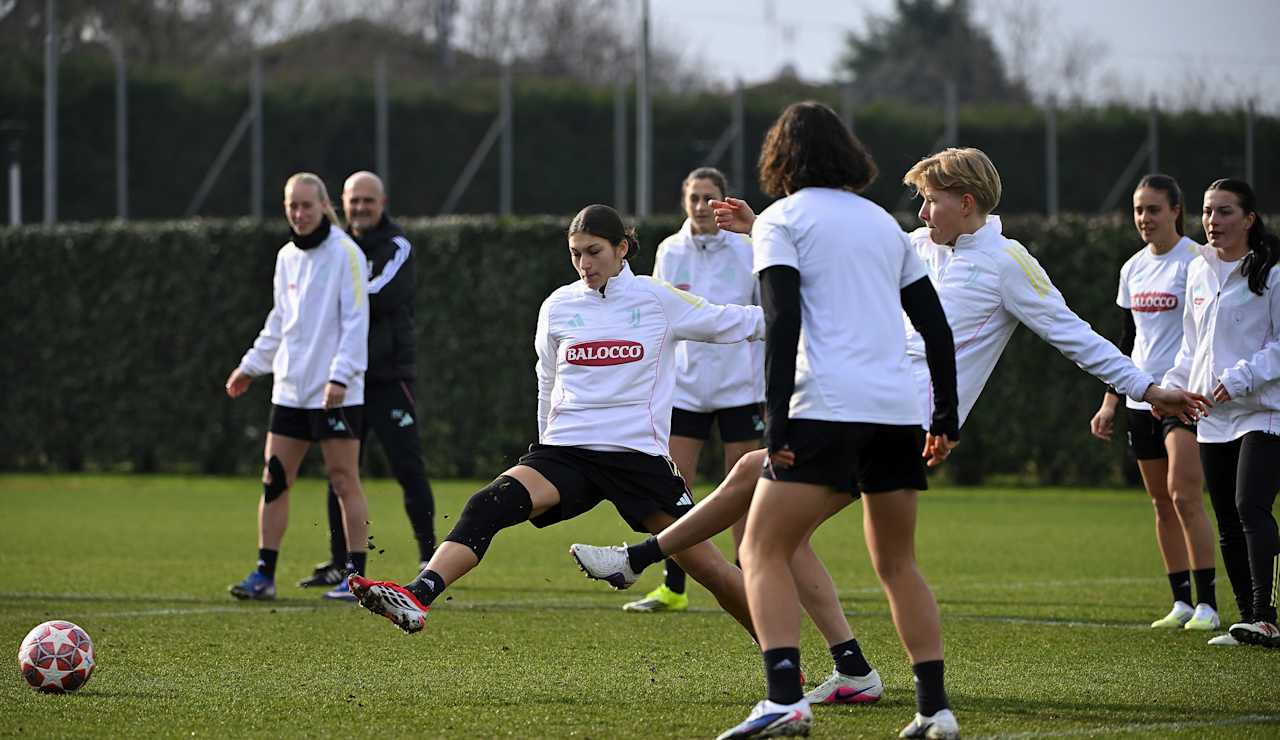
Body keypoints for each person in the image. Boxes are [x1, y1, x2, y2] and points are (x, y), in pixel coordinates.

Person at [575, 145, 1210, 738]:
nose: (922, 211)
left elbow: (1075, 335)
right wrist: (758, 224)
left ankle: (666, 578)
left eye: (931, 199)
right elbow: (834, 251)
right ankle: (855, 671)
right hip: (859, 410)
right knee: (762, 502)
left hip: (889, 424)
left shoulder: (1006, 261)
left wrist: (1148, 390)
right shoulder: (917, 244)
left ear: (968, 201)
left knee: (769, 524)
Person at [345, 205, 770, 648]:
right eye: (575, 254)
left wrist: (797, 301)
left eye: (594, 252)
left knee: (710, 570)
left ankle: (783, 659)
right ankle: (418, 594)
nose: (585, 264)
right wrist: (547, 445)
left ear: (622, 249)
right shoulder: (558, 305)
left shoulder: (656, 298)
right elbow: (546, 381)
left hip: (637, 458)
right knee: (488, 504)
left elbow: (742, 322)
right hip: (567, 452)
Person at [715, 101, 962, 740]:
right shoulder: (883, 223)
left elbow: (782, 321)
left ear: (779, 158)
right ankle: (934, 710)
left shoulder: (780, 221)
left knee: (761, 546)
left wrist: (775, 423)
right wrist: (946, 414)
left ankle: (782, 698)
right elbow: (935, 326)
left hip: (823, 407)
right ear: (847, 153)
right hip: (895, 414)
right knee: (898, 564)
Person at [622, 166, 764, 615]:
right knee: (674, 488)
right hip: (685, 389)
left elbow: (765, 313)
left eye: (709, 197)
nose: (701, 206)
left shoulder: (746, 249)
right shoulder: (669, 250)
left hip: (741, 386)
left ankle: (750, 583)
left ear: (723, 201)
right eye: (694, 198)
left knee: (742, 489)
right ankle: (673, 586)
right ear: (684, 201)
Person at [224, 172, 371, 601]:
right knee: (274, 479)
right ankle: (263, 575)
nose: (299, 214)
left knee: (345, 480)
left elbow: (356, 320)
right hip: (290, 390)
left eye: (307, 205)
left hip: (337, 391)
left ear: (325, 206)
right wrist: (250, 366)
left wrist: (340, 376)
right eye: (292, 206)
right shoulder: (287, 255)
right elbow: (279, 321)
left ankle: (356, 578)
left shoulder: (347, 253)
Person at [297, 171, 437, 602]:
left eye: (367, 201)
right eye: (353, 201)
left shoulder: (397, 247)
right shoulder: (334, 247)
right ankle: (342, 562)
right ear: (341, 202)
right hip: (345, 379)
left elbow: (374, 296)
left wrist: (333, 300)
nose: (359, 208)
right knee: (339, 473)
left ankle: (430, 557)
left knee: (407, 466)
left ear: (383, 202)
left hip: (388, 378)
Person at [1089, 175, 1218, 631]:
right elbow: (1127, 339)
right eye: (1139, 210)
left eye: (1154, 209)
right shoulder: (1132, 268)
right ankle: (1181, 601)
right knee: (1160, 501)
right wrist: (1110, 400)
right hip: (1140, 398)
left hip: (1181, 397)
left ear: (1176, 211)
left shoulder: (1198, 261)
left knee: (1185, 495)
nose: (1144, 218)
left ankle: (1208, 605)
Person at [1163, 178, 1280, 649]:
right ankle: (1248, 618)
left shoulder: (1271, 271)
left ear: (1249, 219)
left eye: (1225, 212)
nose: (1213, 221)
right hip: (1210, 416)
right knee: (1228, 517)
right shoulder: (1197, 269)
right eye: (1209, 212)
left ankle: (1269, 617)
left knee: (1251, 504)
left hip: (1264, 411)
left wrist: (1239, 379)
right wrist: (1173, 390)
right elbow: (1192, 346)